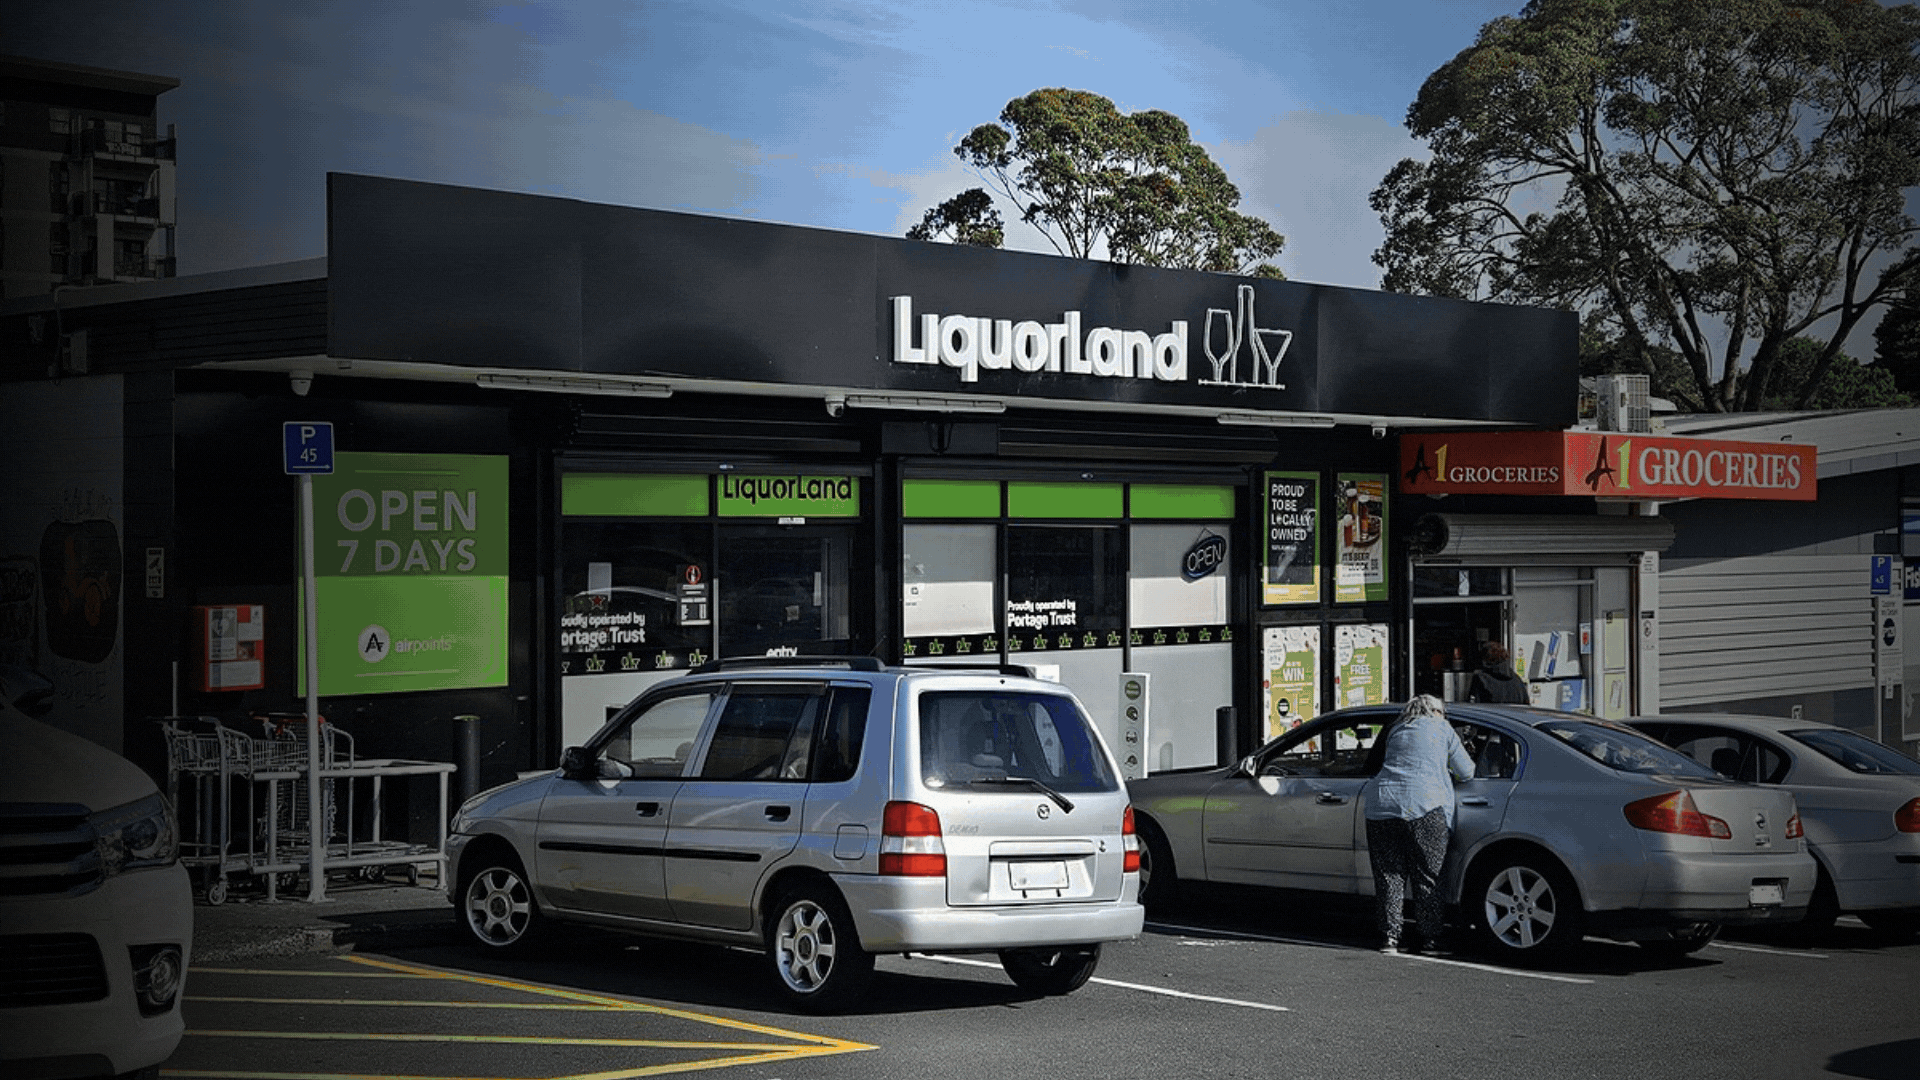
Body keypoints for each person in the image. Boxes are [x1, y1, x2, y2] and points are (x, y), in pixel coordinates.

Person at [1366, 694, 1474, 954]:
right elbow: (1467, 771)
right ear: (1437, 712)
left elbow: (1373, 765)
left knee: (1390, 876)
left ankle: (1390, 939)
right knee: (1428, 876)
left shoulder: (1394, 728)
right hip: (1426, 806)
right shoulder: (1442, 728)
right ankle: (1430, 940)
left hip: (1382, 805)